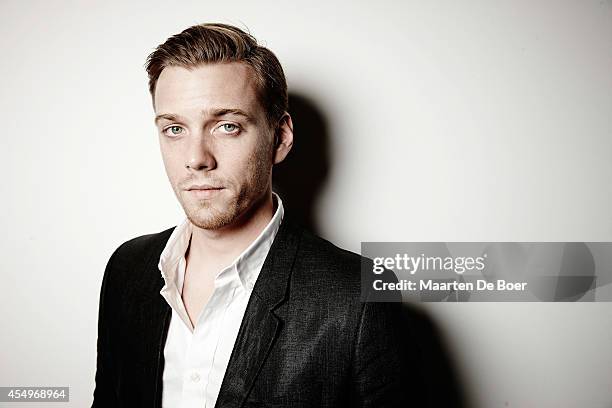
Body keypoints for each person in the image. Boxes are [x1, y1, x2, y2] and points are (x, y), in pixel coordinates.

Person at [92, 23, 423, 408]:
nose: (196, 158)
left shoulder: (359, 295)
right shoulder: (127, 268)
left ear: (280, 137)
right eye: (175, 128)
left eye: (227, 126)